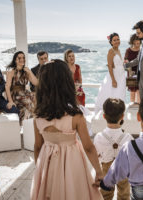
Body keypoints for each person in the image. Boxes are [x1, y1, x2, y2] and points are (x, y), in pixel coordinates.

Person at [31, 59, 103, 200]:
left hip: (48, 161)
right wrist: (99, 172)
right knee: (74, 191)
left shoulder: (37, 116)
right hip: (72, 162)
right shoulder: (75, 116)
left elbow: (38, 146)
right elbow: (88, 147)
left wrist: (39, 169)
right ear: (66, 84)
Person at [94, 98, 133, 200]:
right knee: (124, 194)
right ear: (122, 116)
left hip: (106, 168)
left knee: (105, 194)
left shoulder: (99, 137)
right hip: (123, 169)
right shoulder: (128, 137)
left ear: (104, 116)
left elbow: (97, 155)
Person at [95, 33, 126, 114]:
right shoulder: (111, 51)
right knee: (113, 94)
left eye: (118, 39)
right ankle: (111, 112)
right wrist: (113, 80)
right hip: (115, 76)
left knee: (119, 94)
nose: (116, 41)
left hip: (121, 76)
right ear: (111, 42)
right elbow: (109, 66)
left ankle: (118, 112)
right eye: (114, 40)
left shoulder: (118, 50)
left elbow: (118, 64)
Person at [5, 51, 38, 125]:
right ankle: (31, 124)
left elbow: (36, 83)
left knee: (35, 100)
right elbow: (7, 87)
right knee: (30, 103)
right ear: (15, 60)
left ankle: (27, 126)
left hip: (24, 93)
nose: (22, 59)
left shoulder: (26, 71)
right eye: (19, 58)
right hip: (15, 95)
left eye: (23, 57)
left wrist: (29, 72)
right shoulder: (11, 71)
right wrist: (10, 101)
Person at [124, 34, 141, 104]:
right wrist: (129, 68)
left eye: (139, 42)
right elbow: (125, 60)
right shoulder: (128, 50)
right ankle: (132, 108)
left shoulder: (142, 50)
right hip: (131, 73)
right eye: (137, 43)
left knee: (139, 91)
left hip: (140, 72)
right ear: (133, 42)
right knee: (132, 91)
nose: (138, 44)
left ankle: (138, 108)